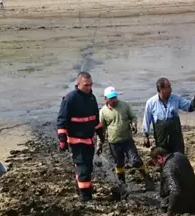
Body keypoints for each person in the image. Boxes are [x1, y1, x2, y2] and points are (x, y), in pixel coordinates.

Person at [57, 72, 104, 202]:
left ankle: (81, 190)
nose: (89, 87)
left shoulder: (91, 98)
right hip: (76, 142)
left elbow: (95, 118)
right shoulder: (70, 99)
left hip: (89, 141)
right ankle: (86, 199)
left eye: (90, 85)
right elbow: (62, 120)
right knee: (83, 170)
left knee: (87, 169)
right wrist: (62, 139)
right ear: (78, 84)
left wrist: (100, 133)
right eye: (86, 85)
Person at [98, 87, 154, 190]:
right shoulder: (103, 112)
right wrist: (99, 144)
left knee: (135, 161)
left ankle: (147, 178)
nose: (114, 100)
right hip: (114, 142)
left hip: (127, 140)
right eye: (111, 98)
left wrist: (134, 124)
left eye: (115, 97)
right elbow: (101, 130)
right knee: (119, 163)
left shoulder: (124, 105)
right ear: (105, 99)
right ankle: (122, 184)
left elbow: (133, 117)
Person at [143, 78, 195, 154]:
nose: (170, 89)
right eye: (168, 87)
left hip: (176, 138)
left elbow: (190, 107)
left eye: (170, 86)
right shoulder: (151, 103)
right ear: (160, 89)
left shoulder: (176, 99)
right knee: (164, 160)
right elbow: (146, 120)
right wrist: (145, 136)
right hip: (161, 139)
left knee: (179, 158)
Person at [150, 146, 195, 216]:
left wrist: (169, 212)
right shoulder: (179, 155)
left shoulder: (168, 168)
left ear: (159, 158)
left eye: (156, 163)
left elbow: (175, 191)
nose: (157, 166)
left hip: (185, 206)